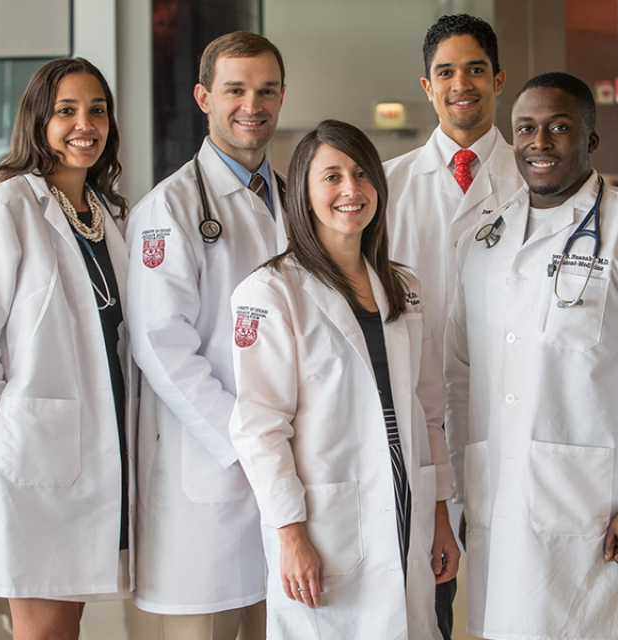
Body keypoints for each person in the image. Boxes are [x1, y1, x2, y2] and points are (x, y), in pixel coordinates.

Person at [229, 119, 459, 640]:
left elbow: (428, 409)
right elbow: (260, 426)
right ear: (305, 195)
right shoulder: (269, 292)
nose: (350, 190)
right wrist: (289, 534)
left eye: (360, 173)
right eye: (331, 177)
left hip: (409, 507)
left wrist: (440, 509)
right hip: (327, 521)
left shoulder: (403, 287)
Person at [444, 72, 618, 639]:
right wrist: (454, 488)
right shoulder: (482, 236)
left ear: (591, 140)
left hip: (593, 512)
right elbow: (459, 373)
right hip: (495, 497)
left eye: (559, 128)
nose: (539, 142)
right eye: (526, 128)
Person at [126, 31, 286, 640]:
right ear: (203, 97)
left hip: (282, 474)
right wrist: (244, 439)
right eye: (235, 90)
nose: (253, 104)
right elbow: (161, 346)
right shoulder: (166, 211)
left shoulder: (294, 200)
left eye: (266, 90)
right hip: (213, 471)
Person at [384, 16, 524, 637]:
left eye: (474, 70)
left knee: (515, 597)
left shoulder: (536, 181)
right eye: (446, 72)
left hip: (509, 414)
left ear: (498, 79)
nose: (460, 84)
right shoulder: (383, 187)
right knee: (426, 596)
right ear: (426, 84)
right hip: (414, 420)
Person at [0, 58, 136, 640]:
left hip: (98, 450)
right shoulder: (11, 205)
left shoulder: (108, 213)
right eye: (67, 111)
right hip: (34, 455)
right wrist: (7, 421)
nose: (86, 124)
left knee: (66, 627)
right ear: (38, 121)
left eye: (97, 110)